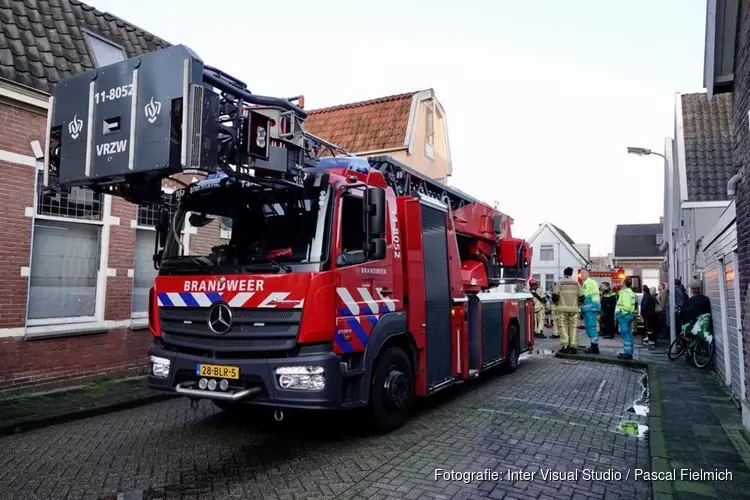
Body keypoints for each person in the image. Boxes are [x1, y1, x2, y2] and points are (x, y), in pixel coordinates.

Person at [552, 267, 584, 354]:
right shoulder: (576, 283)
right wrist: (578, 305)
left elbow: (555, 296)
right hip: (574, 310)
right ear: (571, 274)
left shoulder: (560, 283)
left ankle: (565, 346)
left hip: (562, 310)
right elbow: (582, 297)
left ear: (564, 274)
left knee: (563, 328)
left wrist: (557, 305)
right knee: (573, 328)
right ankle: (573, 346)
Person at [615, 277, 637, 359]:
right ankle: (629, 352)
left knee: (625, 334)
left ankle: (627, 353)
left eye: (621, 281)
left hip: (624, 316)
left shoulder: (625, 293)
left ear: (624, 283)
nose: (619, 283)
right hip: (627, 315)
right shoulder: (629, 292)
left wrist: (621, 313)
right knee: (628, 334)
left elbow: (627, 306)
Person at [580, 269, 602, 354]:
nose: (581, 275)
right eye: (580, 273)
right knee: (589, 327)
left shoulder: (591, 282)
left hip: (591, 308)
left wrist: (596, 308)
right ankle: (593, 345)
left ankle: (595, 347)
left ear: (588, 274)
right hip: (587, 309)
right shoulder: (585, 283)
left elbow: (594, 296)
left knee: (592, 327)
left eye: (583, 273)